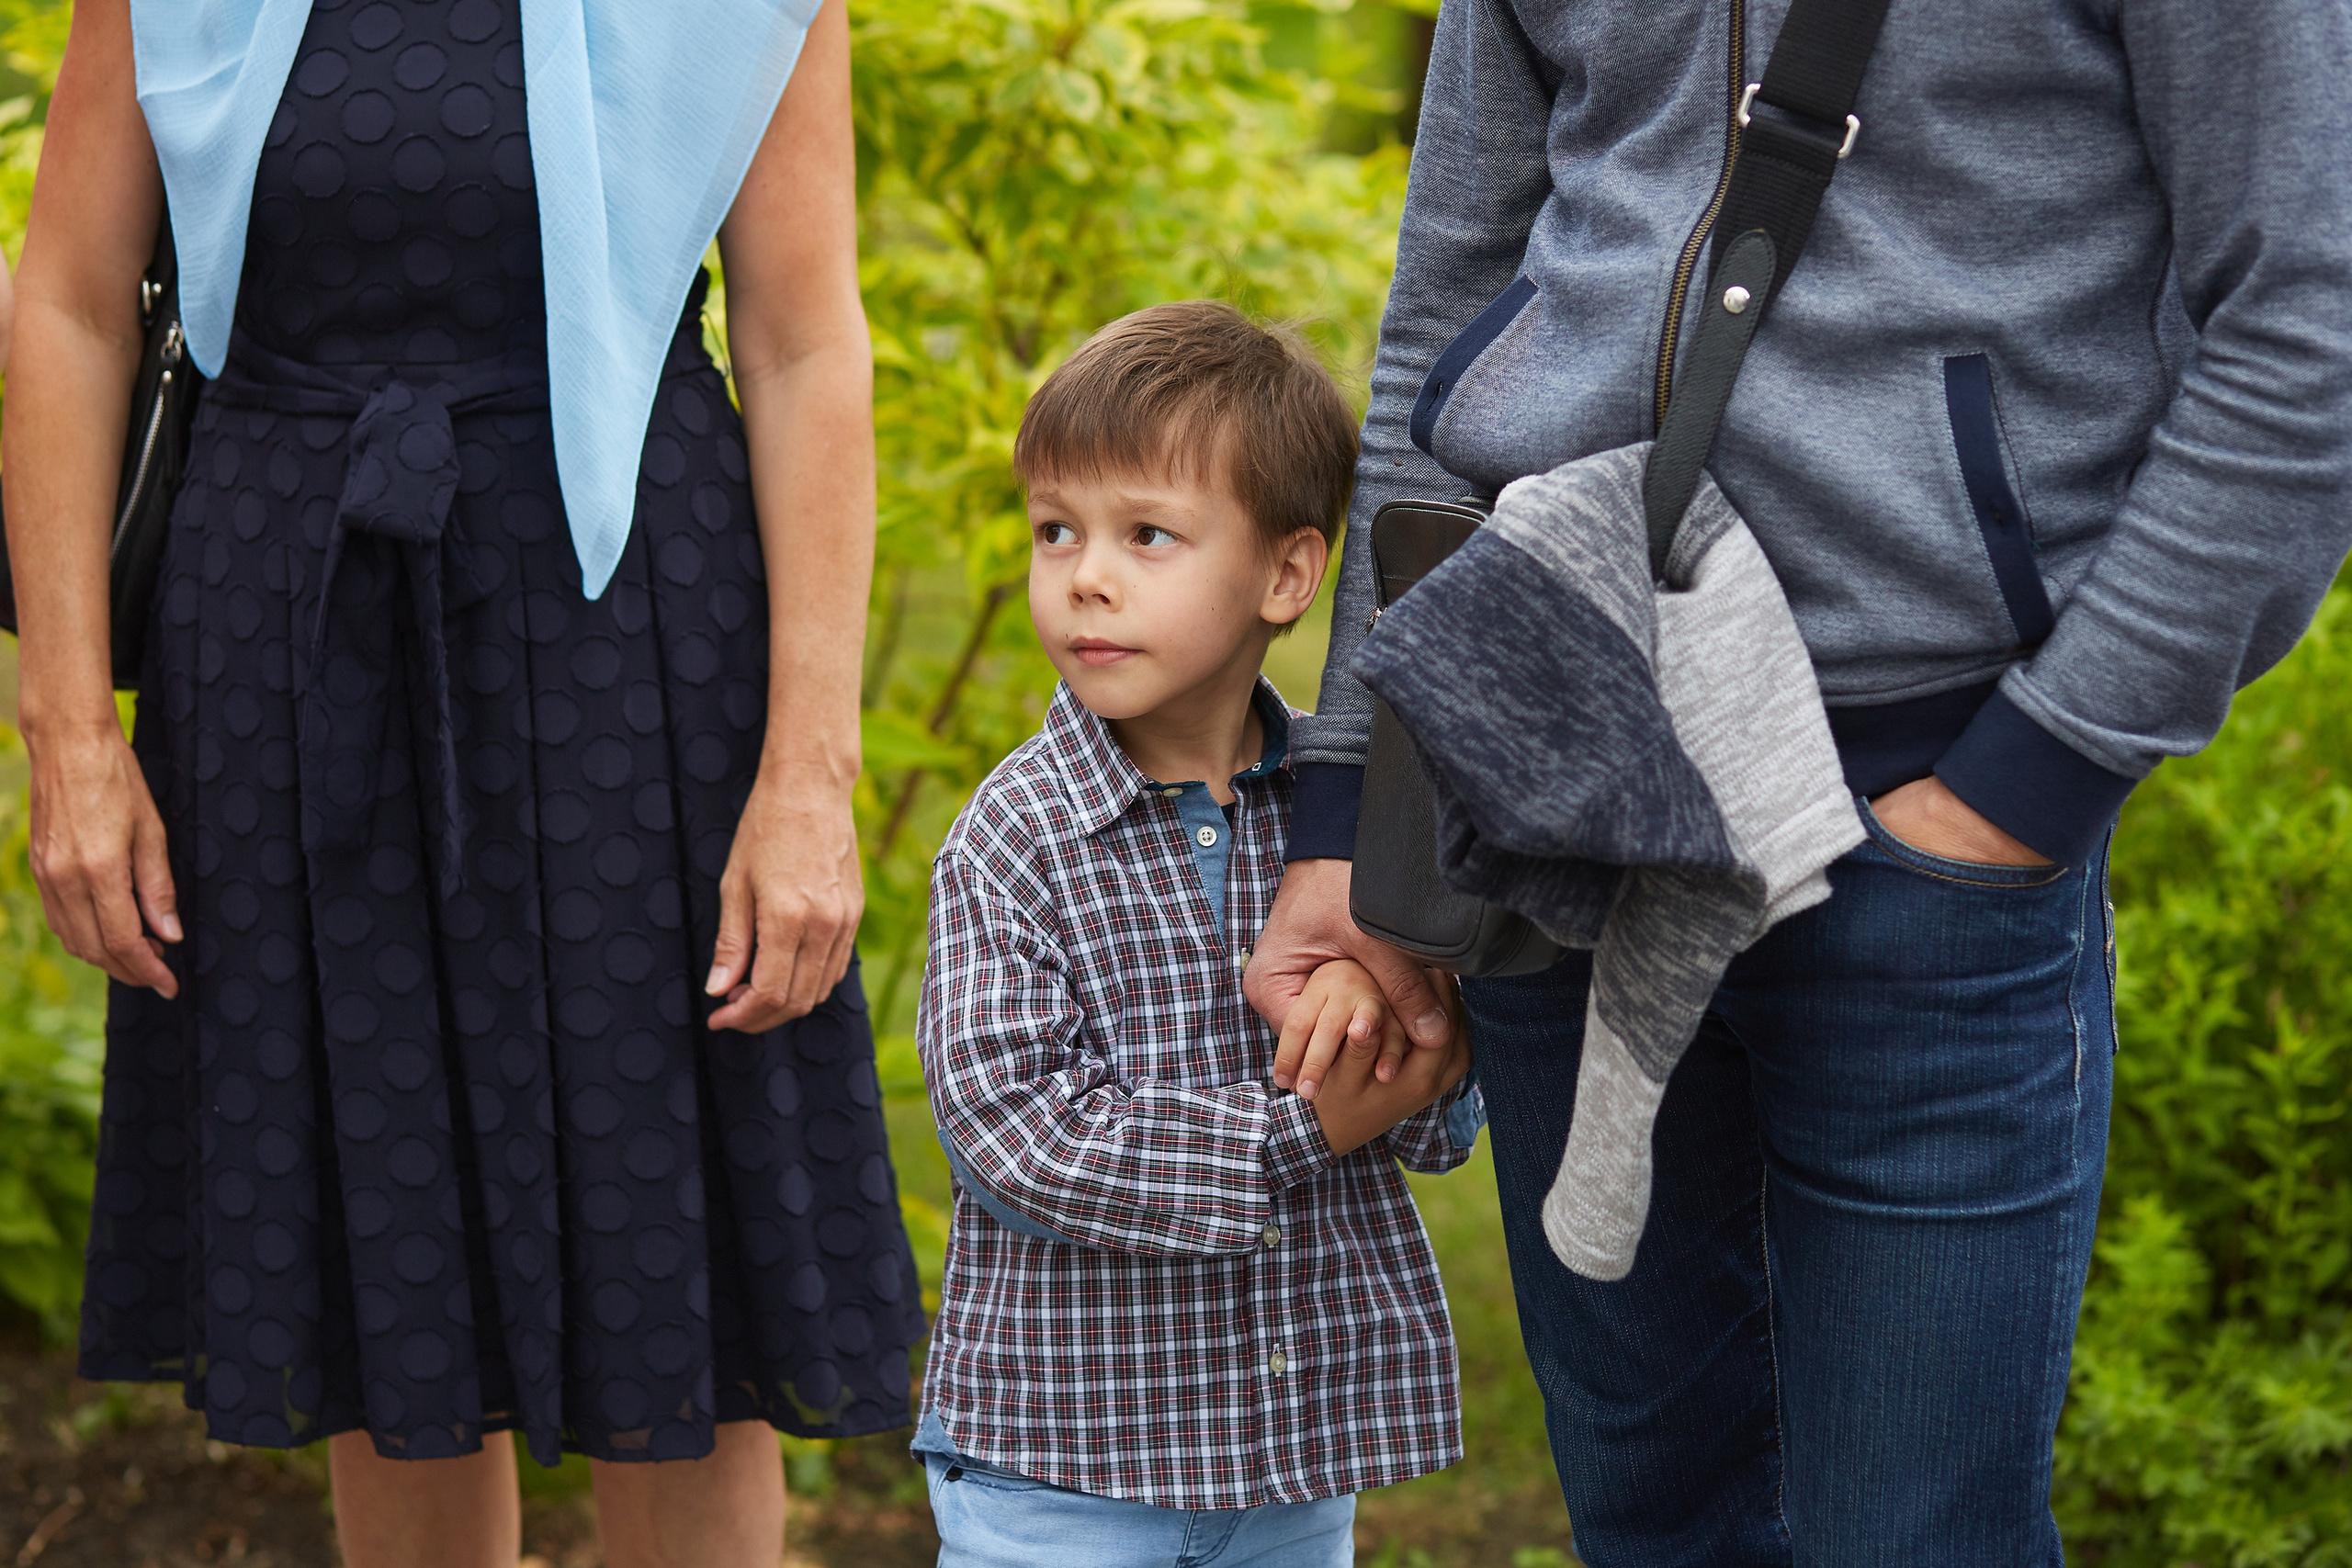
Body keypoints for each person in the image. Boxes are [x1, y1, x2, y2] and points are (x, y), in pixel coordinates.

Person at [1245, 2, 2352, 1564]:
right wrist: (1362, 796)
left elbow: (2309, 326)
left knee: (1916, 1542)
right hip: (1553, 798)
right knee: (1654, 1526)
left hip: (1933, 837)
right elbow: (1452, 299)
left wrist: (2029, 784)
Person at [2, 3, 924, 1564]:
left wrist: (808, 774)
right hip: (282, 656)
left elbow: (803, 337)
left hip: (635, 646)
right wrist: (71, 736)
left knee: (674, 1286)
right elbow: (73, 309)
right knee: (383, 1279)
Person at [914, 301, 1479, 1568]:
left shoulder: (1344, 836)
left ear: (1288, 574)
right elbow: (1018, 1132)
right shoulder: (1017, 837)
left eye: (1146, 535)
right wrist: (1303, 1124)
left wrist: (1393, 1024)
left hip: (1287, 1455)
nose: (1083, 575)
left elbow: (1439, 1113)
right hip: (1062, 1466)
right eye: (1055, 529)